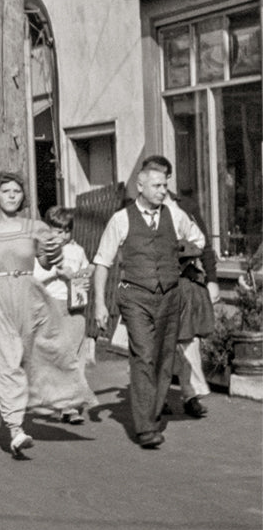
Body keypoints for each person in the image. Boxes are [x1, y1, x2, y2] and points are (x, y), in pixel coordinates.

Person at [0, 171, 87, 458]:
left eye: (16, 191)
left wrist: (53, 253)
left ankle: (1, 405)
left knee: (25, 363)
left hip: (28, 296)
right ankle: (16, 430)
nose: (12, 195)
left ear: (23, 196)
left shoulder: (35, 227)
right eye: (6, 191)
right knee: (8, 361)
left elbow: (47, 263)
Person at [93, 159, 206, 448]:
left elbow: (199, 241)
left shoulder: (175, 215)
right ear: (140, 187)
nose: (162, 190)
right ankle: (146, 429)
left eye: (165, 185)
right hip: (135, 296)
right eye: (156, 185)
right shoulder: (121, 219)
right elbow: (102, 262)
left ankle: (152, 416)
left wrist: (177, 252)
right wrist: (99, 305)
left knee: (164, 359)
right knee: (144, 355)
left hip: (170, 295)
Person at [139, 155, 218, 419]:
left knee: (187, 341)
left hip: (181, 283)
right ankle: (156, 398)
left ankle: (190, 395)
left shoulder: (181, 208)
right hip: (148, 285)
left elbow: (201, 242)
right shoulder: (132, 211)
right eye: (151, 177)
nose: (158, 185)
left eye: (162, 179)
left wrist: (211, 279)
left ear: (168, 179)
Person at [32, 206, 96, 425]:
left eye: (66, 231)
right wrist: (55, 271)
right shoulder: (44, 251)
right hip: (52, 305)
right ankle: (62, 403)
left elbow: (85, 271)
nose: (62, 235)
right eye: (57, 230)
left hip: (75, 306)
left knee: (75, 355)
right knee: (58, 355)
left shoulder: (77, 251)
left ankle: (71, 405)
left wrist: (82, 276)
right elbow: (34, 277)